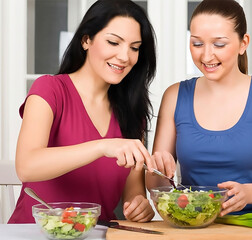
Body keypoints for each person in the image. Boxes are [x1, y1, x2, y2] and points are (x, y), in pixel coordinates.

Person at [146, 0, 252, 216]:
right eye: (197, 43)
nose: (206, 56)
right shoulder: (175, 96)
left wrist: (249, 193)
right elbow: (156, 185)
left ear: (243, 43)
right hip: (194, 226)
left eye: (219, 44)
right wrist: (158, 169)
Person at [9, 0, 157, 223]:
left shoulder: (132, 114)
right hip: (34, 233)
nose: (125, 56)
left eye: (134, 48)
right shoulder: (49, 89)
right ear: (86, 40)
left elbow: (133, 194)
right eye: (113, 42)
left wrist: (140, 206)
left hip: (96, 234)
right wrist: (101, 146)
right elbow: (26, 166)